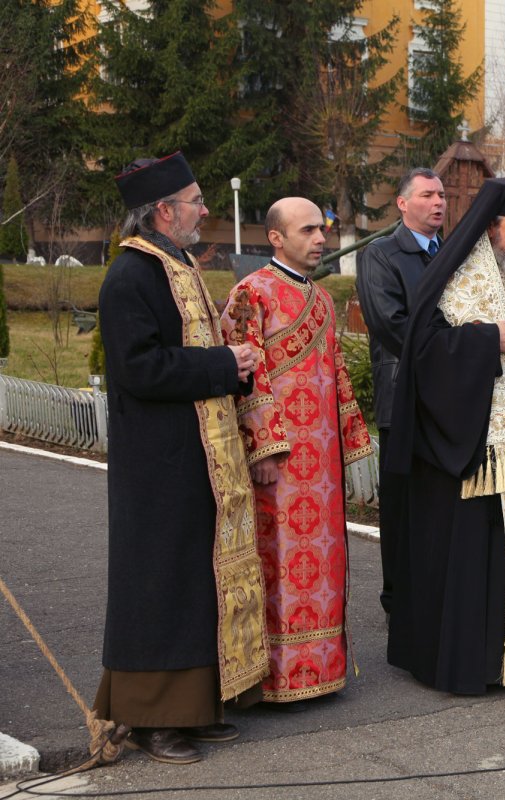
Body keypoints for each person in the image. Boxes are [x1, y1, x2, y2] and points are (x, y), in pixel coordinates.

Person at [95, 152, 268, 764]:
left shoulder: (179, 263)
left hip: (198, 456)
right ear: (164, 210)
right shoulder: (129, 277)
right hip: (158, 463)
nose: (205, 209)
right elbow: (140, 368)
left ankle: (193, 710)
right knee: (158, 585)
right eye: (195, 200)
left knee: (198, 579)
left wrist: (234, 362)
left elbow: (191, 347)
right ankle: (150, 721)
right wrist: (226, 364)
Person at [385, 177, 505, 694]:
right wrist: (488, 339)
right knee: (477, 557)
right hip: (475, 445)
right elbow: (422, 349)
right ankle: (477, 662)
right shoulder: (454, 272)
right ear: (492, 226)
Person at [220, 198, 372, 708]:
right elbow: (245, 376)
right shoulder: (250, 293)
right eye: (308, 230)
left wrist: (350, 443)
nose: (321, 238)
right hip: (281, 462)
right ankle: (275, 677)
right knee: (280, 566)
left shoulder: (323, 302)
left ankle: (321, 669)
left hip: (321, 463)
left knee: (323, 565)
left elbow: (337, 377)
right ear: (277, 238)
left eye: (322, 229)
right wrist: (259, 446)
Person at [356, 168, 445, 616]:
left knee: (439, 504)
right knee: (403, 505)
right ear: (403, 204)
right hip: (404, 396)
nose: (438, 202)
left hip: (450, 399)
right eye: (427, 194)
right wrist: (458, 351)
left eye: (442, 195)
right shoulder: (382, 254)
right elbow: (391, 325)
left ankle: (434, 594)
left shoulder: (452, 254)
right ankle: (398, 600)